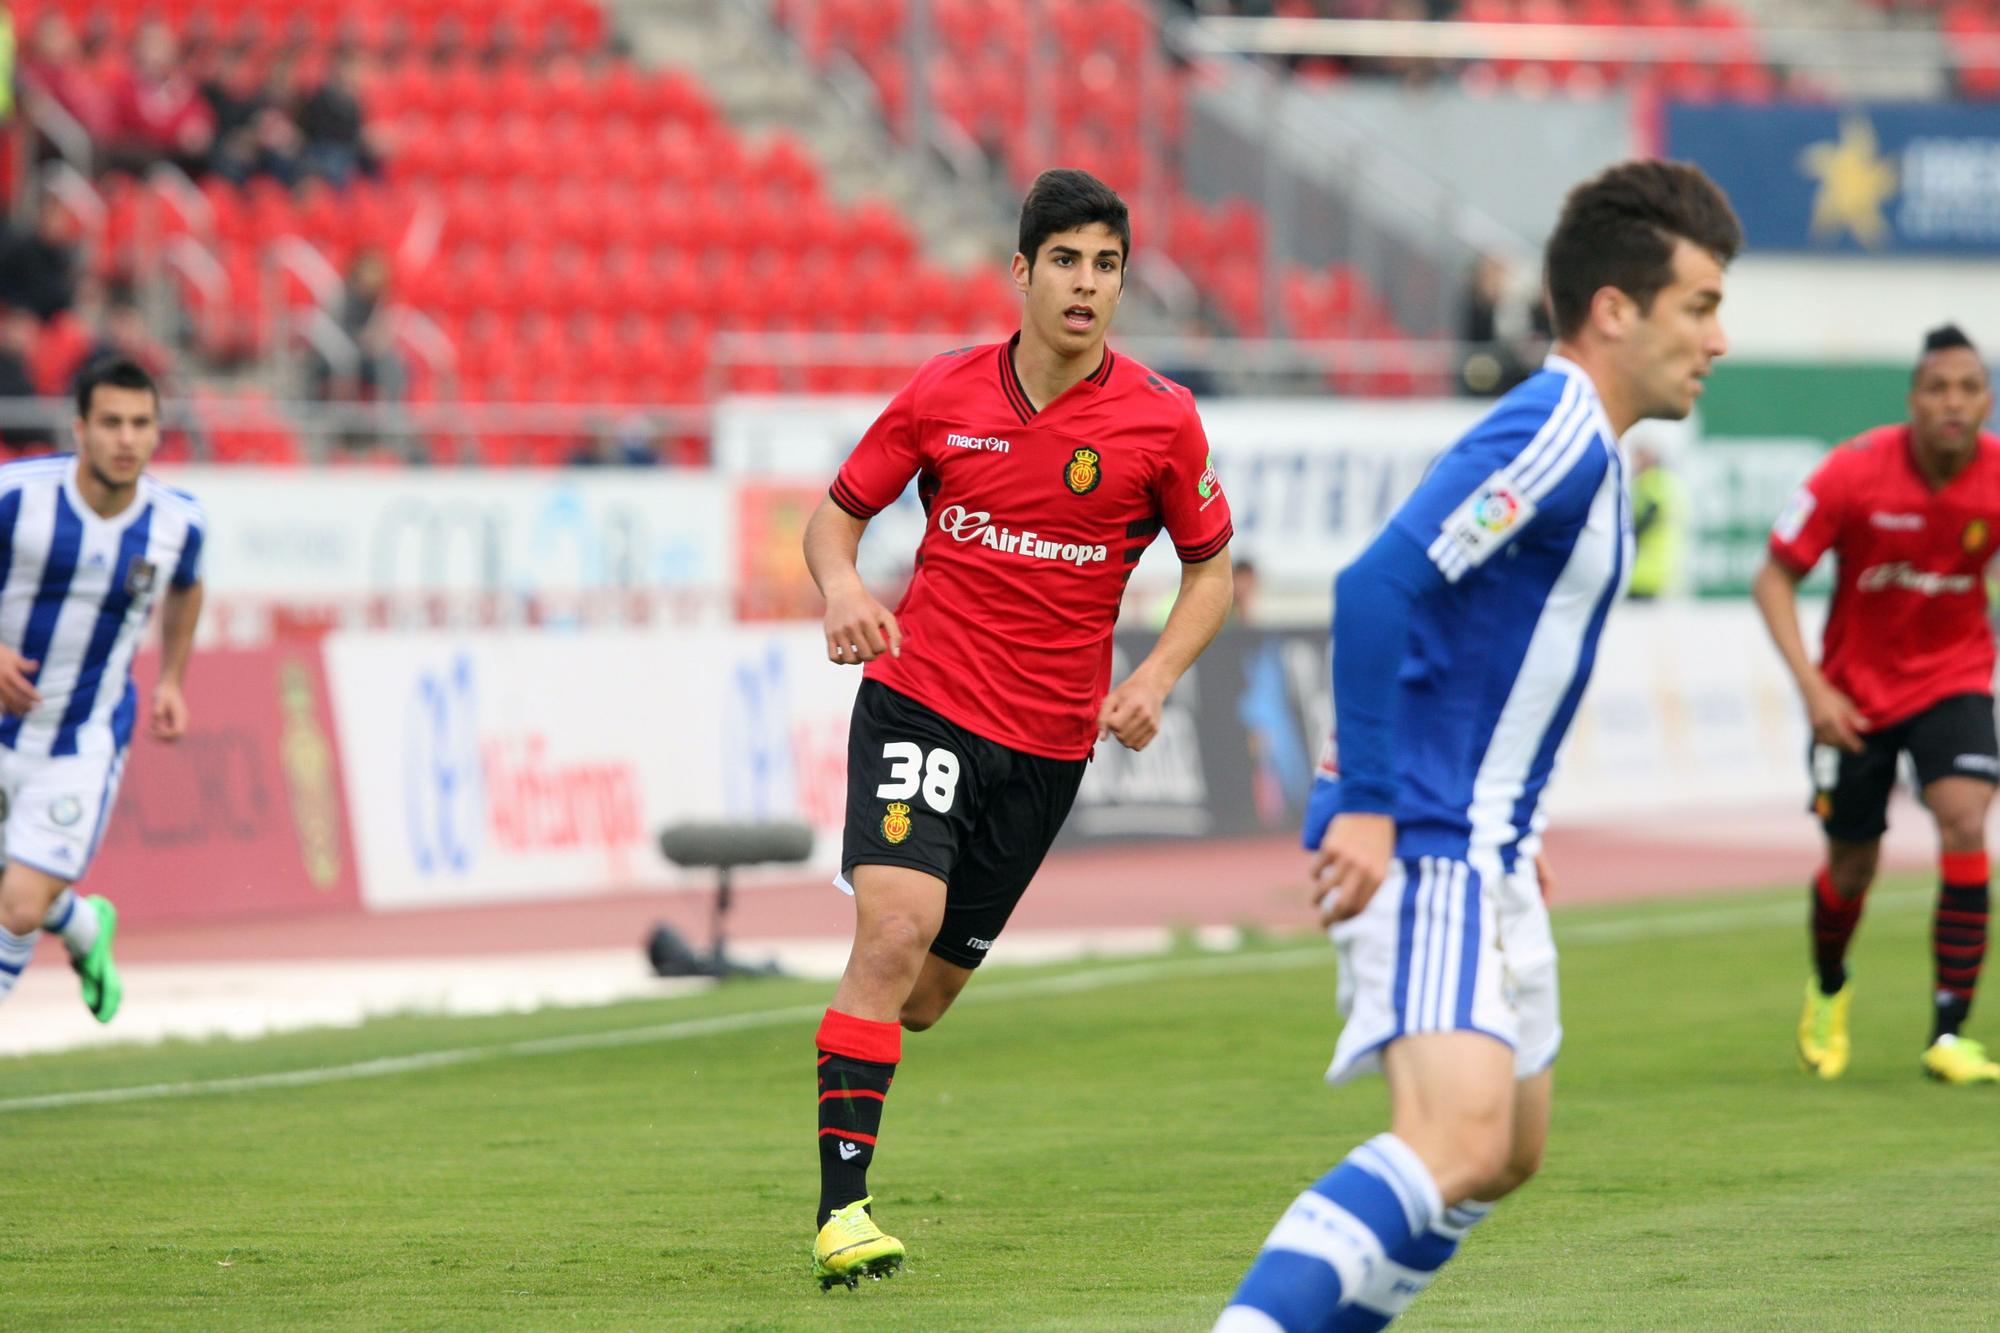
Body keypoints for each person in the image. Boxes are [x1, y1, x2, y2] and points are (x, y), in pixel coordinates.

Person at [1217, 159, 1739, 1332]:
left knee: (1503, 1148)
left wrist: (1520, 817)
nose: (1717, 339)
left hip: (1488, 835)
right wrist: (1369, 799)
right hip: (1426, 830)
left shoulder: (1594, 454)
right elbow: (1376, 588)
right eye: (1698, 306)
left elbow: (1482, 640)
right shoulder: (1555, 423)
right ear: (1614, 309)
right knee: (1449, 1136)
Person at [801, 168, 1235, 1289]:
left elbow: (1209, 573)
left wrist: (1157, 676)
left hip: (1046, 744)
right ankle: (841, 1215)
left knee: (929, 993)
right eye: (1065, 262)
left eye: (1105, 267)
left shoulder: (1159, 420)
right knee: (892, 935)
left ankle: (861, 1056)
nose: (1085, 286)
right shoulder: (942, 394)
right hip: (922, 696)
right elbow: (834, 521)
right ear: (1022, 272)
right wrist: (844, 591)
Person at [1753, 323, 2000, 1086]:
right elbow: (1773, 578)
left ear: (1987, 399)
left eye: (1968, 387)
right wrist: (1813, 687)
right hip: (1853, 698)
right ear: (1913, 400)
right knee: (1852, 867)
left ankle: (1949, 1034)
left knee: (1965, 815)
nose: (1953, 403)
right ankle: (1828, 986)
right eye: (1938, 388)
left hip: (1954, 680)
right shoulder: (1852, 471)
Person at [0, 358, 206, 1022]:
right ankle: (85, 925)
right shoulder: (17, 495)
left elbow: (187, 586)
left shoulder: (178, 522)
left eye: (141, 424)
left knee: (18, 907)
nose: (126, 438)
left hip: (81, 739)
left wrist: (172, 677)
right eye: (111, 423)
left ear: (156, 434)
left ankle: (62, 917)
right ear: (80, 429)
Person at [1626, 441, 1686, 599]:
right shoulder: (1667, 482)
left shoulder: (1653, 483)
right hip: (1656, 573)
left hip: (1643, 573)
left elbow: (1639, 524)